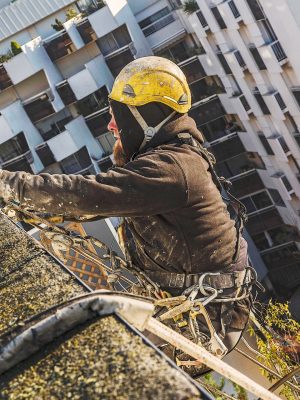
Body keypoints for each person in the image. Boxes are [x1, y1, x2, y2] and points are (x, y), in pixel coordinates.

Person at [0, 56, 254, 375]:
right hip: (196, 303)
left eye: (116, 117)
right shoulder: (174, 157)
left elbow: (85, 196)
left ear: (143, 118)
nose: (110, 127)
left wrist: (6, 185)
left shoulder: (174, 170)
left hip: (207, 321)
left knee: (85, 369)